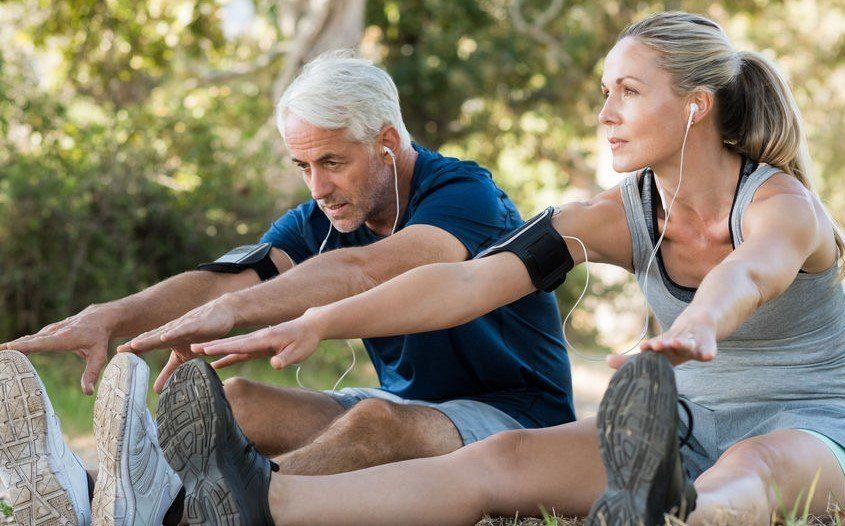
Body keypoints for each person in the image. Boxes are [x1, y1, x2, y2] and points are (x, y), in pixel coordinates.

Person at [156, 11, 845, 526]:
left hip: (808, 424)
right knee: (498, 459)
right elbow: (465, 283)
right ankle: (268, 501)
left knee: (751, 469)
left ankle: (675, 512)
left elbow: (748, 274)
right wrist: (314, 322)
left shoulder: (782, 204)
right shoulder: (611, 216)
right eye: (604, 92)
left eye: (628, 92)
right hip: (681, 423)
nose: (605, 114)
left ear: (696, 105)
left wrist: (696, 325)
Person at [0, 53, 573, 525]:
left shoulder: (465, 194)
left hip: (517, 418)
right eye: (303, 165)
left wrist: (233, 310)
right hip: (415, 408)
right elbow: (229, 277)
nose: (318, 186)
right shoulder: (323, 217)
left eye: (332, 161)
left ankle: (197, 514)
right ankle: (83, 492)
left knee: (373, 423)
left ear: (387, 142)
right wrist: (113, 316)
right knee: (239, 401)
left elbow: (369, 271)